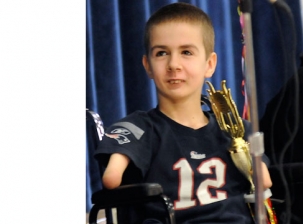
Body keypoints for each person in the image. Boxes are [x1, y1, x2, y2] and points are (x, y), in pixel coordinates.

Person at [94, 2, 272, 223]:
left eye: (186, 52)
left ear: (210, 63)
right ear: (147, 65)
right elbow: (111, 179)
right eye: (161, 53)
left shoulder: (236, 129)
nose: (173, 64)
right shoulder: (139, 128)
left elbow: (263, 181)